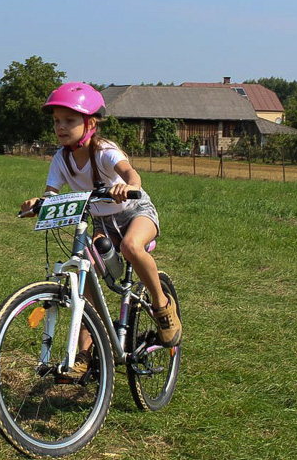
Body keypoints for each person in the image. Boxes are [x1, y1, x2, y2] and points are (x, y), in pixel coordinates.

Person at [21, 82, 182, 374]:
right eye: (57, 121)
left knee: (130, 247)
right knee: (85, 276)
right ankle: (85, 353)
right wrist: (38, 203)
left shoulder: (105, 151)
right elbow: (52, 194)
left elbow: (132, 174)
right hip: (102, 222)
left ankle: (162, 307)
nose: (60, 127)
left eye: (69, 120)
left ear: (90, 123)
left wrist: (127, 186)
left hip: (135, 212)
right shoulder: (62, 158)